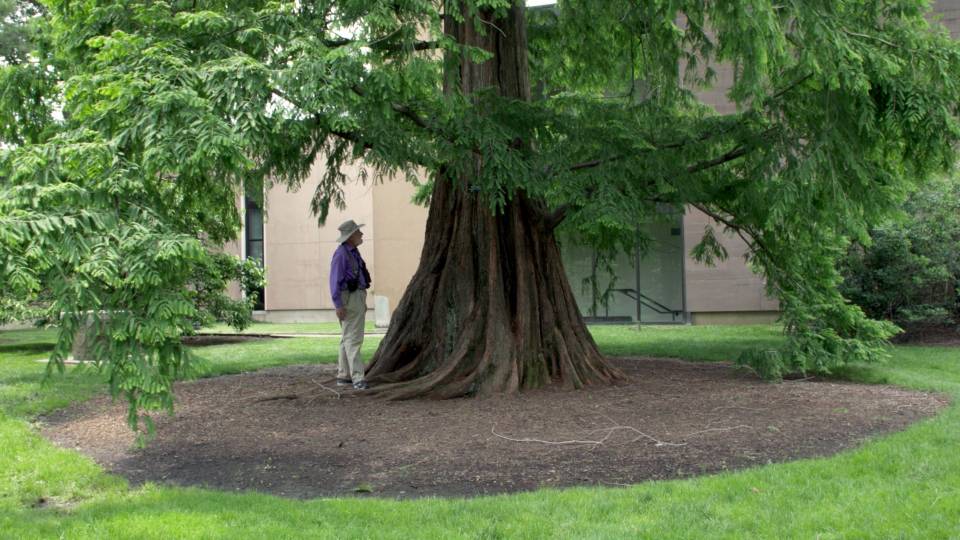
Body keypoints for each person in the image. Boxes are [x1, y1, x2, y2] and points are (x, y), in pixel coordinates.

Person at [329, 219, 372, 390]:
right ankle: (358, 378)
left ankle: (343, 375)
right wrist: (338, 305)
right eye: (358, 232)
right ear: (351, 236)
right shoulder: (341, 254)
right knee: (354, 339)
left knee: (347, 337)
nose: (361, 234)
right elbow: (334, 281)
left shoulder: (352, 252)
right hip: (350, 299)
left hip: (356, 297)